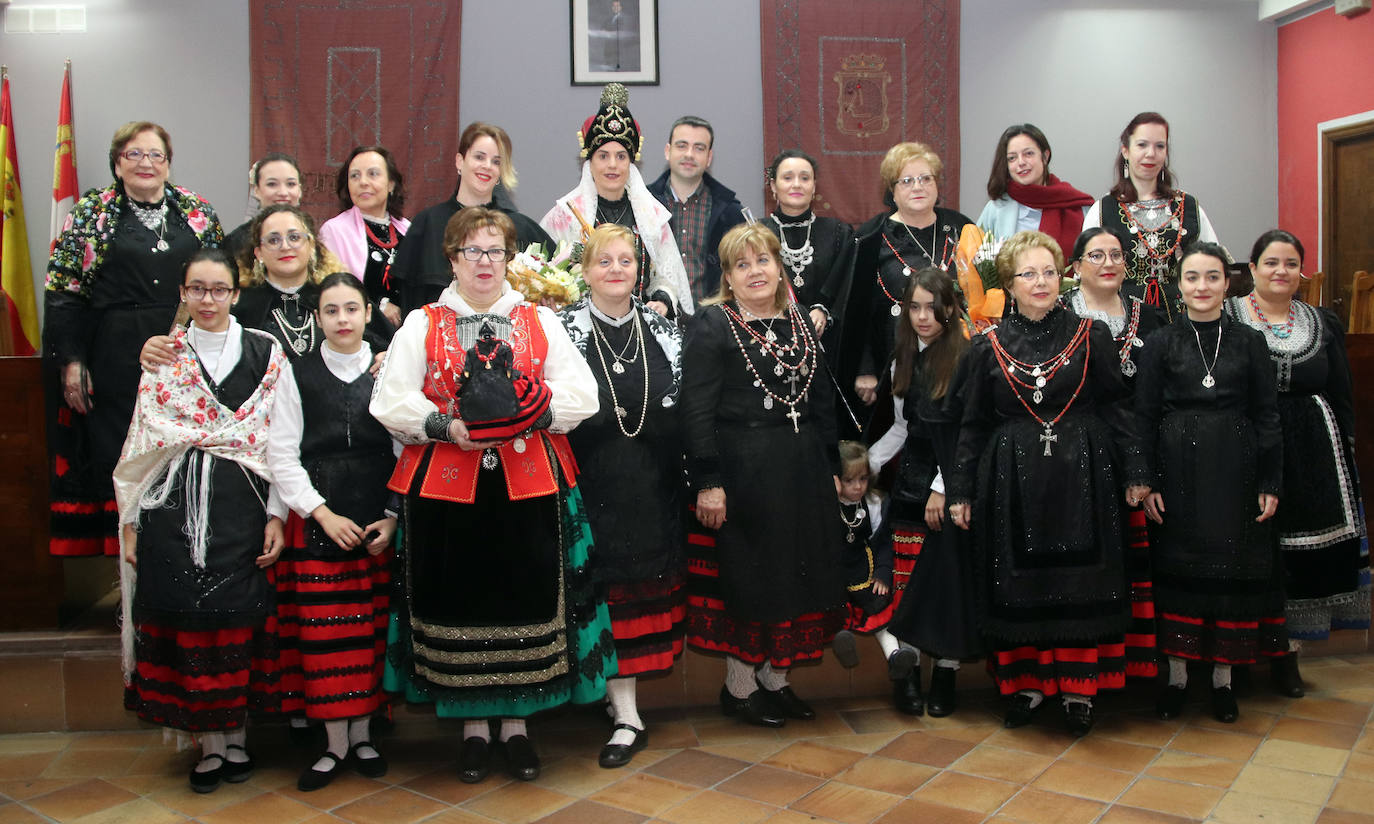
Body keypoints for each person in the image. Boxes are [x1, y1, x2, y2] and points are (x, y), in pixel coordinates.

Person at [370, 207, 612, 784]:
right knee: (461, 600)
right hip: (448, 492)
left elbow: (584, 394)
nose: (485, 263)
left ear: (511, 258)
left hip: (526, 486)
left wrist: (536, 412)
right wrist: (445, 426)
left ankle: (519, 729)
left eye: (496, 251)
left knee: (521, 598)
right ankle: (474, 730)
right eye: (472, 252)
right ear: (451, 259)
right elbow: (390, 400)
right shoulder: (421, 324)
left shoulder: (540, 322)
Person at [948, 231, 1151, 736]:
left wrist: (1137, 471)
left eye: (1047, 272)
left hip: (1086, 472)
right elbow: (971, 425)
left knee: (1081, 581)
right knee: (1018, 582)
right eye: (1026, 273)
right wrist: (960, 490)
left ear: (1061, 277)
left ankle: (1079, 692)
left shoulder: (1091, 335)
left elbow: (1116, 406)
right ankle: (1027, 686)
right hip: (1009, 480)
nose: (1039, 282)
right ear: (1007, 283)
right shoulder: (985, 345)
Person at [115, 248, 290, 792]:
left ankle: (236, 738)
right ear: (184, 294)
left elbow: (280, 442)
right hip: (169, 506)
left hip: (242, 503)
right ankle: (209, 747)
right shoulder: (164, 357)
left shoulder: (267, 353)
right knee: (186, 619)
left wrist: (278, 514)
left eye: (218, 289)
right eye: (197, 289)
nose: (208, 300)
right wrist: (128, 523)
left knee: (233, 618)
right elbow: (143, 440)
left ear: (236, 293)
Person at [682, 223, 847, 729]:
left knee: (802, 577)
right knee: (754, 583)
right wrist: (709, 481)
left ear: (780, 268)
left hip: (803, 472)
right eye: (742, 264)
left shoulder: (799, 321)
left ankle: (776, 682)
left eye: (763, 261)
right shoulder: (714, 324)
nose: (755, 272)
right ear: (728, 277)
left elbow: (820, 404)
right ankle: (739, 688)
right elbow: (695, 412)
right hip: (744, 474)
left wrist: (833, 470)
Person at [44, 121, 222, 557]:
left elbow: (220, 281)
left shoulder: (196, 212)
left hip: (185, 355)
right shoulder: (91, 213)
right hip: (114, 360)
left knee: (179, 462)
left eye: (155, 155)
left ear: (168, 163)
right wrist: (71, 360)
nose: (146, 163)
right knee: (125, 461)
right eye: (134, 154)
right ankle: (128, 578)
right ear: (117, 163)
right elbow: (63, 292)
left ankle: (177, 569)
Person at [1138, 242, 1285, 725]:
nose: (1203, 287)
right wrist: (1147, 480)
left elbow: (1266, 416)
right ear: (1179, 286)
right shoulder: (1160, 342)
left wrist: (1270, 479)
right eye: (1193, 277)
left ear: (1228, 283)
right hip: (1176, 469)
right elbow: (1144, 417)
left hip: (1236, 471)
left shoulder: (1249, 342)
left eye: (1213, 277)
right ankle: (1178, 679)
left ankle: (1223, 680)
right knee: (1180, 574)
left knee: (1230, 574)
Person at [557, 224, 686, 769]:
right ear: (584, 272)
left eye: (626, 261)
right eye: (603, 261)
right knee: (600, 595)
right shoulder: (562, 332)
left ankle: (626, 711)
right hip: (586, 486)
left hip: (651, 489)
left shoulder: (665, 331)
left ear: (640, 270)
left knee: (636, 599)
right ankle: (621, 710)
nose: (616, 269)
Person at [264, 273, 398, 791]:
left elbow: (406, 448)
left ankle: (364, 736)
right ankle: (333, 744)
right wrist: (320, 513)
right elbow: (282, 453)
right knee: (327, 637)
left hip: (375, 518)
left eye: (351, 309)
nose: (342, 319)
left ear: (368, 314)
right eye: (330, 311)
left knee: (369, 633)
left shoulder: (389, 371)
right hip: (319, 522)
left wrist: (392, 514)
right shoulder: (295, 375)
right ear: (317, 319)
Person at [1225, 230, 1367, 697]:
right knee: (1250, 552)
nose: (1281, 272)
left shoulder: (1322, 322)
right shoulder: (1227, 316)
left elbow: (1340, 392)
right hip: (1247, 447)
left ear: (1301, 271)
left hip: (1313, 452)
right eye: (1271, 263)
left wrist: (1344, 449)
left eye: (1290, 263)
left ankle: (1287, 658)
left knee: (1297, 559)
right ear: (1252, 267)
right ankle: (1241, 658)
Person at [866, 267, 979, 718]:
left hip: (952, 480)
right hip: (910, 484)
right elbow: (901, 427)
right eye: (914, 307)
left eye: (932, 307)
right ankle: (908, 677)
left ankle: (946, 674)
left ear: (950, 308)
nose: (922, 316)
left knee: (947, 583)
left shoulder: (968, 357)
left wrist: (942, 488)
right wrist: (864, 465)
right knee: (907, 582)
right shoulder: (903, 358)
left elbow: (968, 431)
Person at [1062, 227, 1167, 683]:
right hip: (1074, 455)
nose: (1108, 262)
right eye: (1096, 254)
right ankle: (1080, 670)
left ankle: (1134, 666)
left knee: (1133, 562)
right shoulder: (1059, 314)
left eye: (1116, 254)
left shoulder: (1154, 319)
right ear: (1076, 266)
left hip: (1139, 451)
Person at [844, 142, 974, 429]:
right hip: (896, 363)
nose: (918, 187)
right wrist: (864, 369)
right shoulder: (871, 237)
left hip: (959, 363)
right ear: (892, 190)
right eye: (907, 180)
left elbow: (982, 296)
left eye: (926, 178)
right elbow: (856, 310)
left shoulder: (962, 227)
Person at [541, 83, 692, 317]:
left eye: (620, 156)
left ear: (631, 164)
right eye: (603, 156)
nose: (612, 165)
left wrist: (662, 301)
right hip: (580, 329)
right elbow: (544, 277)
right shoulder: (566, 215)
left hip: (639, 328)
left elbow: (667, 278)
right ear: (589, 163)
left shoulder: (652, 216)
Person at [391, 122, 552, 314]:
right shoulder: (427, 224)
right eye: (479, 157)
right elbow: (407, 299)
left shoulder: (521, 228)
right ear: (460, 161)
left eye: (496, 161)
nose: (487, 166)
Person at [1084, 112, 1219, 322]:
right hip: (1121, 321)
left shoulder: (1188, 206)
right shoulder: (1102, 210)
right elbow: (1086, 274)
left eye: (1159, 146)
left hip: (1183, 321)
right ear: (1126, 151)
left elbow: (1214, 264)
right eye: (1142, 145)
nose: (1151, 154)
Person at [829, 442, 919, 712]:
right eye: (849, 480)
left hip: (862, 568)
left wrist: (883, 573)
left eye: (863, 479)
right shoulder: (825, 505)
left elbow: (882, 543)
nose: (858, 486)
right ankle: (841, 637)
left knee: (880, 610)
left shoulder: (875, 503)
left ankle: (895, 657)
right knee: (834, 604)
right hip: (834, 571)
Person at [763, 149, 854, 364]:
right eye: (787, 178)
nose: (797, 184)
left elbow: (847, 288)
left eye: (805, 178)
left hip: (828, 351)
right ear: (774, 186)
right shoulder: (756, 233)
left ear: (814, 186)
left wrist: (824, 311)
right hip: (770, 345)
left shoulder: (838, 232)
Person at [646, 115, 746, 305]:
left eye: (699, 148)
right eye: (682, 146)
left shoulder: (731, 212)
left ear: (709, 158)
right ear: (668, 151)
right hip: (655, 321)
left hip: (713, 323)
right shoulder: (643, 204)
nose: (689, 154)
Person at [318, 146, 411, 326]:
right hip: (362, 331)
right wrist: (380, 305)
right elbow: (334, 289)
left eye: (373, 174)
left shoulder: (408, 229)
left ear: (391, 184)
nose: (363, 182)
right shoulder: (334, 231)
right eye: (354, 176)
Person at [976, 124, 1094, 260]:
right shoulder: (996, 208)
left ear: (1045, 156)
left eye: (1028, 154)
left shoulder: (1078, 205)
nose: (1021, 162)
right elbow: (975, 261)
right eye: (1012, 158)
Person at [223, 152, 303, 265]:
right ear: (256, 191)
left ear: (299, 190)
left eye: (290, 184)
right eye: (272, 184)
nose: (283, 193)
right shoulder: (236, 241)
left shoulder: (311, 236)